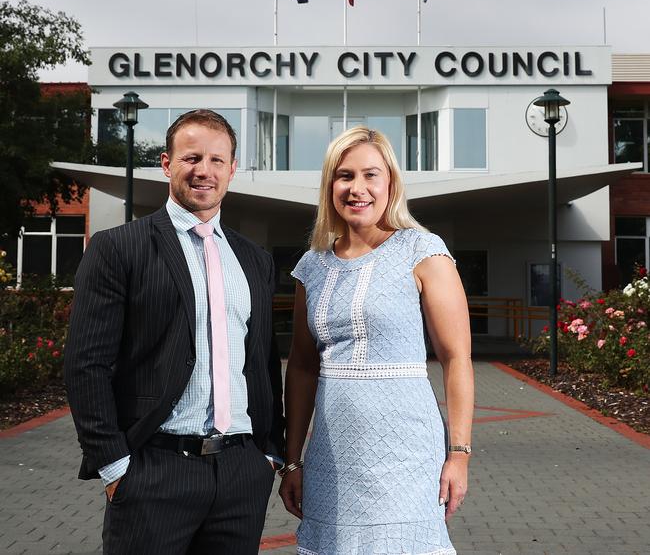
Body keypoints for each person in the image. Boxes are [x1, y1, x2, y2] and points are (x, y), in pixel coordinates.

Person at [65, 109, 284, 555]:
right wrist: (115, 466)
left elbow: (261, 363)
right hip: (154, 470)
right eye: (191, 157)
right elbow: (86, 365)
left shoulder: (254, 260)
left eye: (217, 160)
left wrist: (268, 455)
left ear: (232, 168)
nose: (204, 170)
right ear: (167, 164)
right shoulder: (118, 248)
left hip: (241, 472)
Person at [279, 127, 474, 555]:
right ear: (330, 184)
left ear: (390, 183)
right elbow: (302, 366)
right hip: (331, 455)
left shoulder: (423, 250)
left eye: (371, 174)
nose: (357, 188)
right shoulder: (311, 265)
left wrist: (459, 454)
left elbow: (456, 356)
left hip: (406, 454)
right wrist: (292, 460)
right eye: (344, 175)